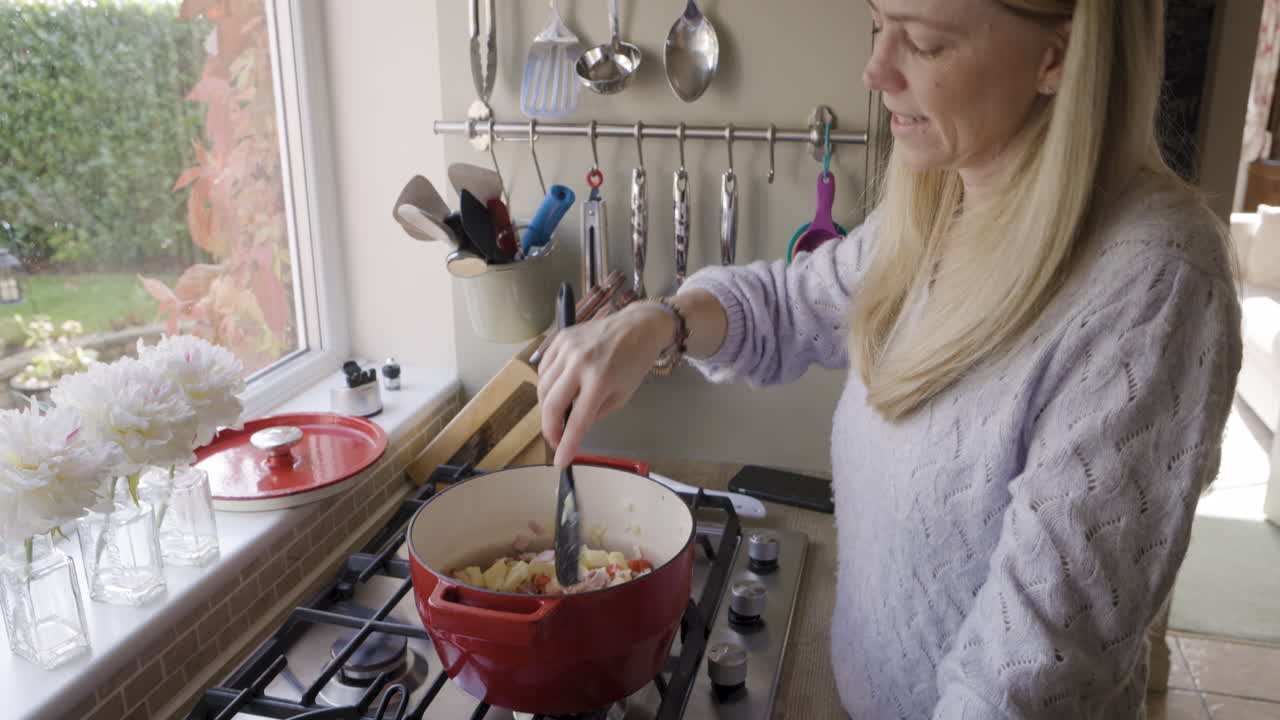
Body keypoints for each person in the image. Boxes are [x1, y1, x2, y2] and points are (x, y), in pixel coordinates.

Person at [535, 0, 1242, 717]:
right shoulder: (945, 200)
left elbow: (1026, 683)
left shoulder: (1156, 283)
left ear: (1058, 56)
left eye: (927, 44)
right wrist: (661, 321)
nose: (875, 72)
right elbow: (787, 306)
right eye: (879, 24)